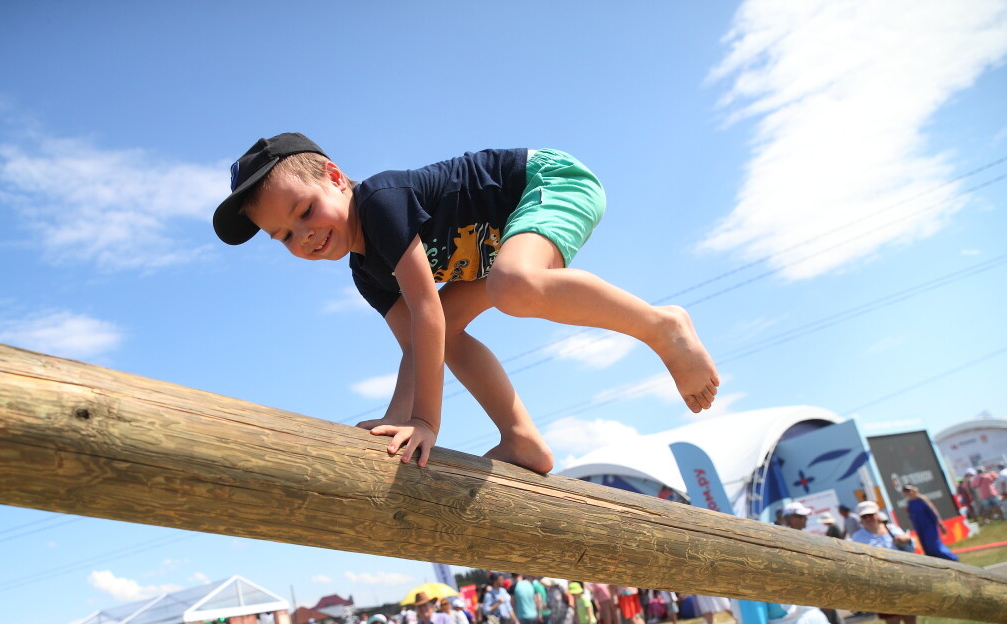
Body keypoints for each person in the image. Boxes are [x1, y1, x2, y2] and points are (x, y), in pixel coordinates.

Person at [213, 134, 719, 475]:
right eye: (284, 236)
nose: (304, 235)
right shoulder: (365, 272)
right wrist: (394, 421)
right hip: (496, 250)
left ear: (335, 176)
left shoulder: (380, 202)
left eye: (305, 211)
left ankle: (662, 325)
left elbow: (428, 307)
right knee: (450, 330)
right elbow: (419, 343)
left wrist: (426, 422)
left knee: (512, 284)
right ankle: (521, 438)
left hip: (547, 182)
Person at [851, 501, 933, 624]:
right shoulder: (857, 537)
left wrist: (906, 540)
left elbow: (911, 547)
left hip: (903, 580)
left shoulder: (892, 529)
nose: (868, 519)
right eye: (864, 517)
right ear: (861, 520)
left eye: (871, 515)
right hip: (882, 586)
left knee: (911, 621)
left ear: (877, 515)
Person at [902, 485, 959, 561]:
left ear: (914, 490)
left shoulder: (922, 500)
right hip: (919, 528)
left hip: (929, 526)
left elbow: (933, 512)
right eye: (905, 491)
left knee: (934, 546)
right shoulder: (909, 504)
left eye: (909, 490)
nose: (908, 493)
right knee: (927, 548)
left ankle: (953, 558)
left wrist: (940, 524)